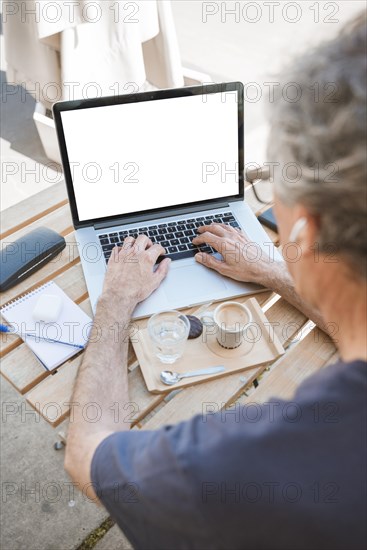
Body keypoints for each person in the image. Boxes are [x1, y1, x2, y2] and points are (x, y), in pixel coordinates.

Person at [64, 12, 366, 550]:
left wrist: (113, 300)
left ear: (306, 227)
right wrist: (274, 269)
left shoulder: (241, 461)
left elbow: (89, 451)